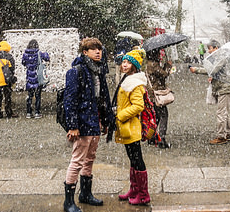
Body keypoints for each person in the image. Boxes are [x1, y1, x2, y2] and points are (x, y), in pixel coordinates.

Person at [62, 37, 112, 212]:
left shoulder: (99, 70)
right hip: (83, 121)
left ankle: (85, 194)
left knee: (89, 159)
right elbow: (70, 100)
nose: (98, 52)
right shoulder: (76, 71)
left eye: (99, 48)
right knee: (77, 160)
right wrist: (72, 125)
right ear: (85, 52)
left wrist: (105, 121)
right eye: (93, 49)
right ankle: (68, 201)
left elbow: (103, 99)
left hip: (95, 120)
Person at [115, 48, 151, 205]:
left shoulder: (134, 84)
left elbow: (138, 106)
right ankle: (134, 189)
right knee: (132, 158)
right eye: (124, 61)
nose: (124, 64)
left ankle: (143, 195)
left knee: (137, 159)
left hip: (132, 126)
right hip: (127, 126)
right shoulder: (128, 79)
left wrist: (121, 115)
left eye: (128, 62)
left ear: (135, 66)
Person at [189, 40, 230, 144]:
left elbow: (213, 70)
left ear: (216, 48)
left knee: (221, 113)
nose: (209, 51)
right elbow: (216, 72)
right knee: (224, 112)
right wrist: (213, 77)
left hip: (224, 88)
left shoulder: (221, 58)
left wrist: (196, 70)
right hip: (223, 86)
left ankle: (221, 137)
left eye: (210, 48)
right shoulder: (218, 57)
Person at [145, 49, 172, 149]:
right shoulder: (153, 64)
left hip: (153, 93)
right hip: (157, 94)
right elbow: (164, 74)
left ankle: (152, 137)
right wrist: (168, 65)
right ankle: (161, 139)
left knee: (156, 116)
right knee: (164, 115)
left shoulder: (150, 63)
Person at [22, 39, 50, 119]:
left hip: (29, 78)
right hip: (37, 78)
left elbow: (23, 63)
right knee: (38, 96)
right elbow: (47, 58)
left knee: (29, 96)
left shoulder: (25, 54)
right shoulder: (39, 53)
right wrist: (46, 53)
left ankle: (29, 112)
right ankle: (37, 112)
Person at [0, 40, 16, 119]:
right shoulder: (9, 57)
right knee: (7, 97)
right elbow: (12, 69)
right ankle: (8, 112)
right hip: (6, 79)